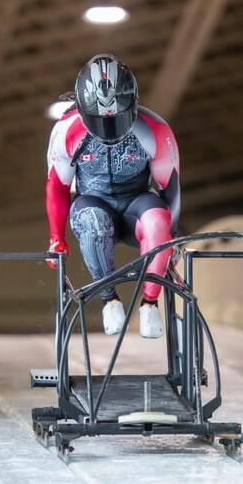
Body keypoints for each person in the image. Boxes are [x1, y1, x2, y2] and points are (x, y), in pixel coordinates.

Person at [45, 54, 180, 338]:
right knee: (94, 222)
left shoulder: (155, 130)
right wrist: (56, 238)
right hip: (93, 202)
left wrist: (172, 235)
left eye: (117, 121)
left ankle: (149, 303)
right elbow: (57, 186)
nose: (109, 133)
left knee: (157, 221)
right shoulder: (66, 131)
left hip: (136, 204)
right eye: (99, 122)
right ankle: (110, 300)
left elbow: (171, 189)